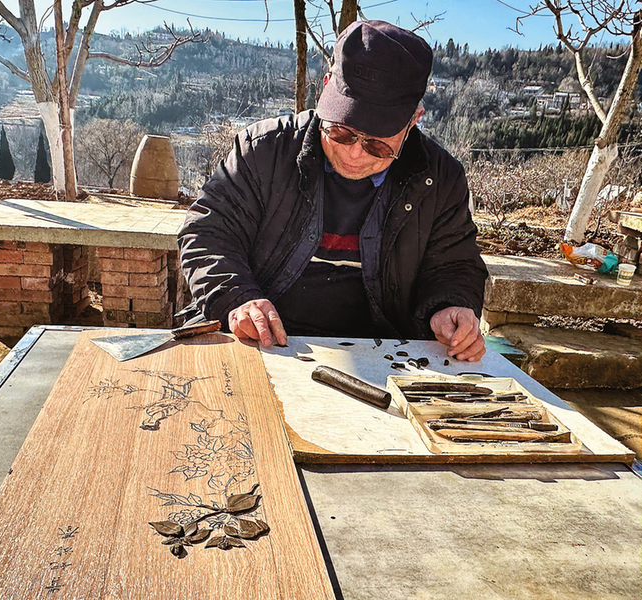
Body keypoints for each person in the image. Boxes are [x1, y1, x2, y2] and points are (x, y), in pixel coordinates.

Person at [178, 21, 488, 362]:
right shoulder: (264, 149)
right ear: (326, 89)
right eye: (341, 132)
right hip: (260, 342)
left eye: (377, 144)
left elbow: (454, 265)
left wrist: (450, 306)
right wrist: (236, 297)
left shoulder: (440, 178)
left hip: (383, 354)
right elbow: (208, 232)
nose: (354, 154)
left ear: (413, 119)